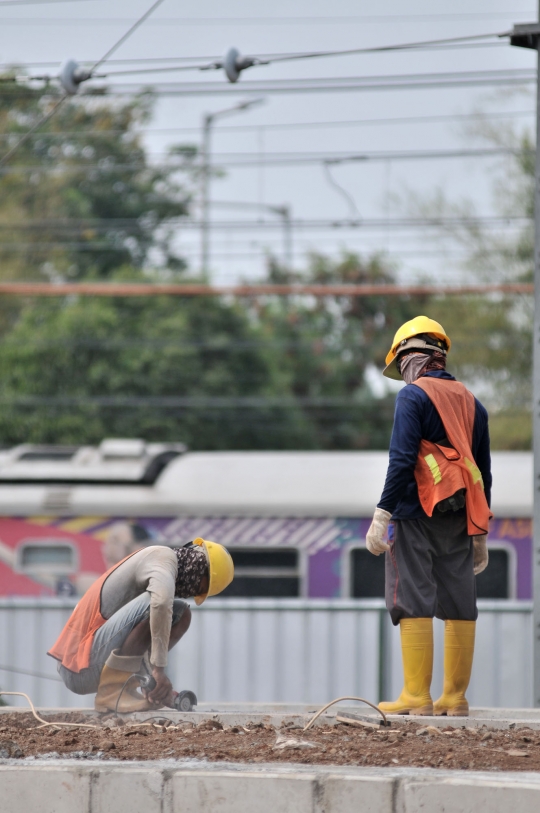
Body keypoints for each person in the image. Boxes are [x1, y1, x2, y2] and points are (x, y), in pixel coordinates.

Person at [366, 316, 491, 717]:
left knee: (411, 595)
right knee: (459, 598)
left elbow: (402, 459)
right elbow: (483, 473)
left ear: (411, 357)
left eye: (401, 364)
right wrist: (481, 532)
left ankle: (416, 696)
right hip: (459, 513)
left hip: (415, 512)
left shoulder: (413, 397)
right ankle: (454, 699)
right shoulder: (474, 402)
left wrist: (382, 514)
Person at [48, 537, 234, 712]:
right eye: (198, 587)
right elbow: (159, 604)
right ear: (199, 567)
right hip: (79, 664)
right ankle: (112, 693)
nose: (191, 592)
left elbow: (139, 630)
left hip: (91, 659)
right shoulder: (163, 558)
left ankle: (127, 685)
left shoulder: (160, 564)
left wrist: (151, 682)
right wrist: (159, 671)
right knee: (158, 603)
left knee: (181, 613)